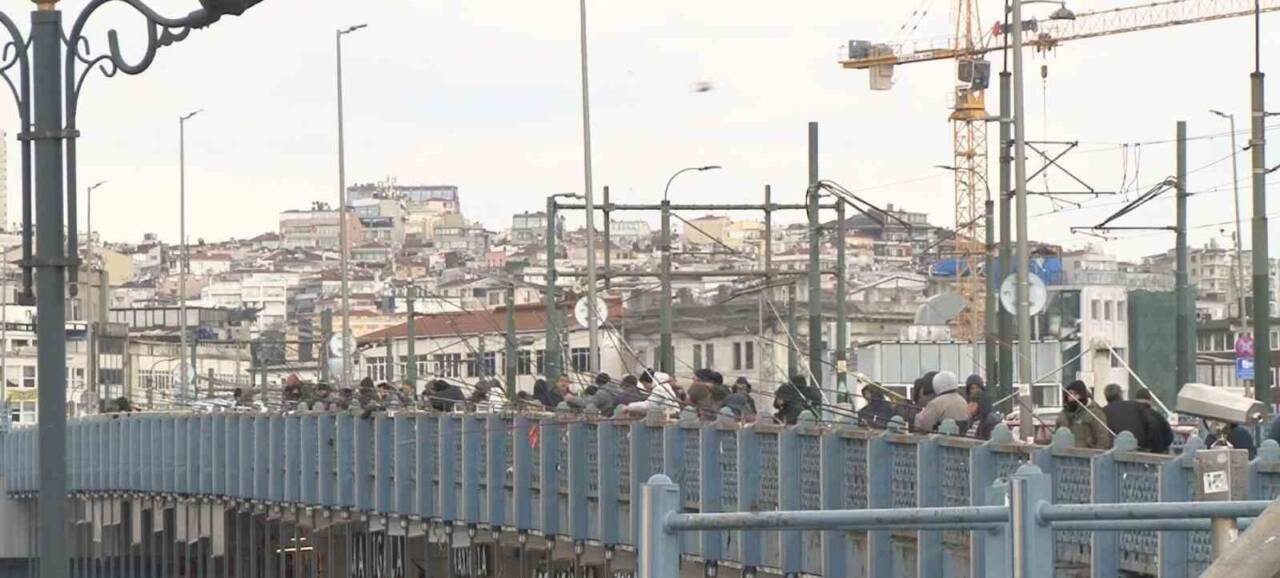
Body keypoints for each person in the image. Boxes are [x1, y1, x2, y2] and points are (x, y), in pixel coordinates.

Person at [1056, 380, 1112, 450]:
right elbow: (1056, 435)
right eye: (1070, 393)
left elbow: (1102, 438)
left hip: (1086, 453)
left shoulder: (1094, 413)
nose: (1072, 396)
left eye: (1075, 394)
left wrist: (1096, 454)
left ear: (1082, 394)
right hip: (1064, 453)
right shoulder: (1063, 414)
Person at [1134, 388, 1174, 453]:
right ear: (1150, 400)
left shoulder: (1131, 415)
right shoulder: (1158, 416)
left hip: (1134, 454)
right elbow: (1169, 437)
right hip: (1156, 454)